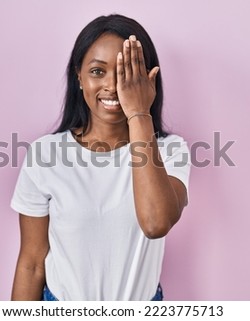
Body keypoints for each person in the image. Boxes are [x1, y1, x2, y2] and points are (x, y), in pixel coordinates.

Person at [10, 14, 191, 301]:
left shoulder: (171, 151)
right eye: (98, 71)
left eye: (126, 73)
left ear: (147, 80)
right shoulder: (45, 154)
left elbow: (156, 223)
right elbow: (32, 264)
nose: (112, 86)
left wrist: (139, 113)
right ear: (78, 76)